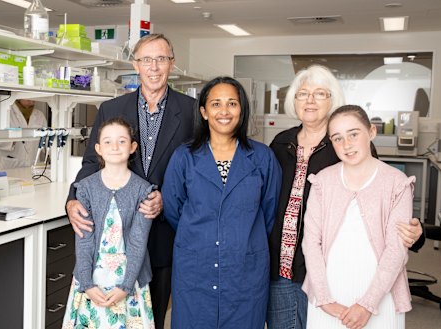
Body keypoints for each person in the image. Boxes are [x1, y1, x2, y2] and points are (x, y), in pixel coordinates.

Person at [267, 64, 423, 329]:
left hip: (329, 269)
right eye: (303, 94)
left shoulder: (348, 146)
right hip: (283, 264)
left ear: (333, 99)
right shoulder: (281, 143)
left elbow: (376, 200)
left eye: (320, 93)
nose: (310, 100)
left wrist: (416, 232)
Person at [66, 33, 195, 329]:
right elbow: (90, 162)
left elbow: (196, 171)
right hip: (114, 236)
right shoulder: (112, 109)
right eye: (146, 59)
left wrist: (168, 197)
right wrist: (72, 199)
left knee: (152, 314)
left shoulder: (190, 112)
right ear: (135, 65)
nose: (154, 67)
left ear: (172, 64)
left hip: (163, 233)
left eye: (161, 59)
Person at [162, 77, 282, 328]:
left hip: (245, 268)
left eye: (232, 104)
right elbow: (173, 209)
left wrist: (240, 238)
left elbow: (270, 212)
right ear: (204, 112)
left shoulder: (262, 157)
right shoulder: (184, 157)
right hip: (195, 266)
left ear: (242, 110)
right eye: (216, 104)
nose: (224, 111)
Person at [302, 105, 413, 328]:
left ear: (371, 132)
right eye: (338, 138)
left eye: (354, 134)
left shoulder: (397, 183)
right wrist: (324, 299)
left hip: (381, 295)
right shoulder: (322, 181)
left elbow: (396, 250)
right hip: (330, 294)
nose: (346, 145)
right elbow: (311, 243)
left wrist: (367, 305)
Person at [62, 118, 155, 329]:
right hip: (92, 279)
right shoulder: (85, 188)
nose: (114, 147)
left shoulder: (144, 190)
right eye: (108, 142)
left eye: (122, 141)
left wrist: (126, 286)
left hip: (129, 281)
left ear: (133, 147)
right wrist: (86, 284)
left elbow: (138, 242)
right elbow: (84, 240)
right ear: (98, 149)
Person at [0, 99, 47, 170]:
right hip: (10, 166)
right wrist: (14, 139)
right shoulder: (5, 113)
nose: (32, 101)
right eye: (28, 98)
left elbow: (46, 141)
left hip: (33, 164)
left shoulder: (40, 115)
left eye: (34, 99)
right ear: (19, 98)